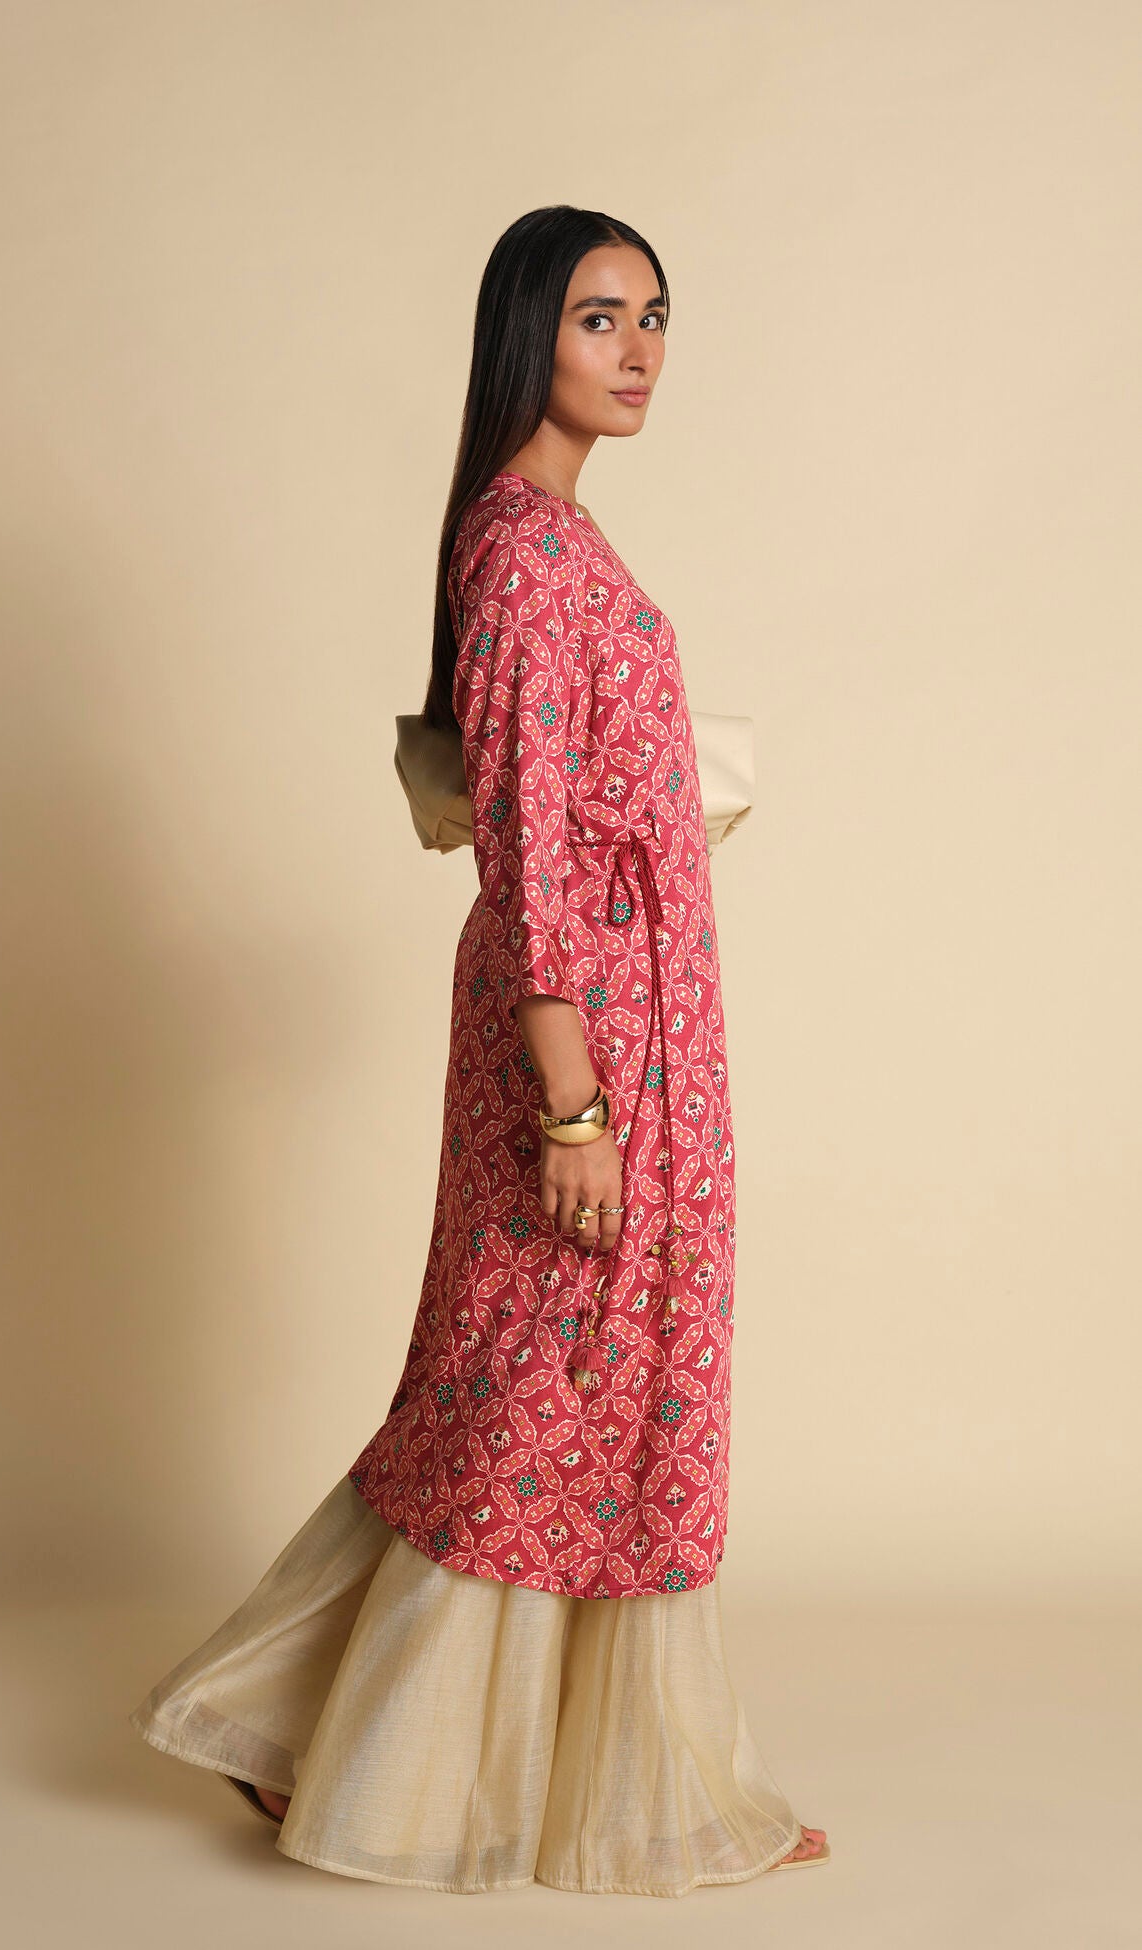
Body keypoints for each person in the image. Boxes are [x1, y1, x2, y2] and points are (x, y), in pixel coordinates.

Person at [130, 204, 829, 1895]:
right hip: (578, 1036)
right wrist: (573, 1102)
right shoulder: (520, 553)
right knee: (536, 1386)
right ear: (531, 334)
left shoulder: (558, 542)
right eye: (604, 317)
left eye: (659, 315)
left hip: (642, 1021)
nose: (644, 346)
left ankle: (324, 1729)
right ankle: (387, 1768)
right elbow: (525, 846)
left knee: (555, 1385)